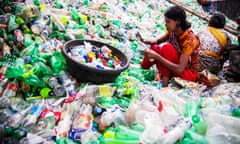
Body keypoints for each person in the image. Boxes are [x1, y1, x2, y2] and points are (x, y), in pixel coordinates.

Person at [138, 6, 200, 87]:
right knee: (155, 48)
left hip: (187, 74)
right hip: (175, 66)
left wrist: (157, 57)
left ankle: (164, 84)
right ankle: (142, 70)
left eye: (168, 22)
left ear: (177, 22)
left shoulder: (189, 41)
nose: (165, 25)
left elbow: (179, 69)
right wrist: (144, 41)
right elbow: (157, 41)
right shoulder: (173, 32)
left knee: (166, 48)